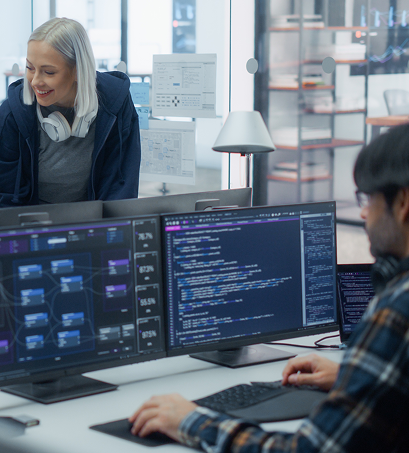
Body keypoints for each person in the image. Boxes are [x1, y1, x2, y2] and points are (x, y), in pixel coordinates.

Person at [129, 123, 409, 452]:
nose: (363, 212)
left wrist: (190, 421)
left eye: (369, 198)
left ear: (402, 202)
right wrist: (357, 377)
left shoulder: (396, 310)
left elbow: (308, 450)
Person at [0, 17, 141, 208]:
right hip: (28, 223)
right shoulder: (14, 111)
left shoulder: (115, 104)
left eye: (49, 72)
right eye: (30, 68)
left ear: (78, 70)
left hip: (94, 222)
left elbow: (121, 187)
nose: (35, 81)